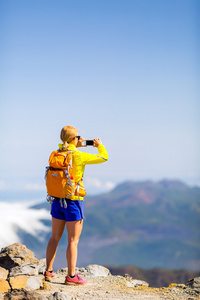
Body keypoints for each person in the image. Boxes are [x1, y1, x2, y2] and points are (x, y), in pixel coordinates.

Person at [44, 125, 108, 285]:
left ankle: (48, 271)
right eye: (78, 137)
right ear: (74, 139)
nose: (80, 139)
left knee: (54, 237)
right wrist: (99, 145)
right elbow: (104, 157)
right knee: (73, 240)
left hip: (57, 200)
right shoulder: (78, 155)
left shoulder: (57, 154)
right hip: (73, 201)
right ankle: (72, 276)